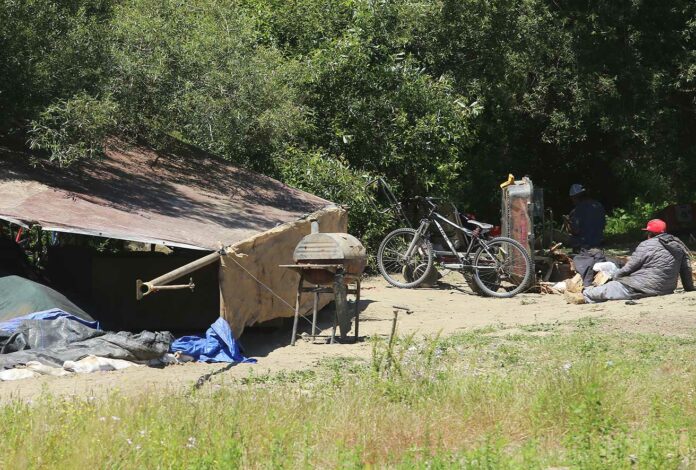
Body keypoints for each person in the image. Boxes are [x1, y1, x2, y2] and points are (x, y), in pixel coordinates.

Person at [565, 219, 694, 304]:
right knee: (615, 289)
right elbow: (686, 270)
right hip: (666, 289)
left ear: (649, 233)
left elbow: (630, 267)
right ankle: (586, 295)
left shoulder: (646, 245)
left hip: (643, 287)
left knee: (610, 288)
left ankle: (584, 294)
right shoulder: (678, 245)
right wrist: (689, 288)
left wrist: (616, 276)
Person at [568, 184, 606, 250]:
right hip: (598, 241)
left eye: (572, 199)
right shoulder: (599, 205)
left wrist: (568, 224)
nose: (573, 202)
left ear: (576, 197)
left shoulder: (578, 210)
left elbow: (575, 231)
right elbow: (603, 225)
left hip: (585, 243)